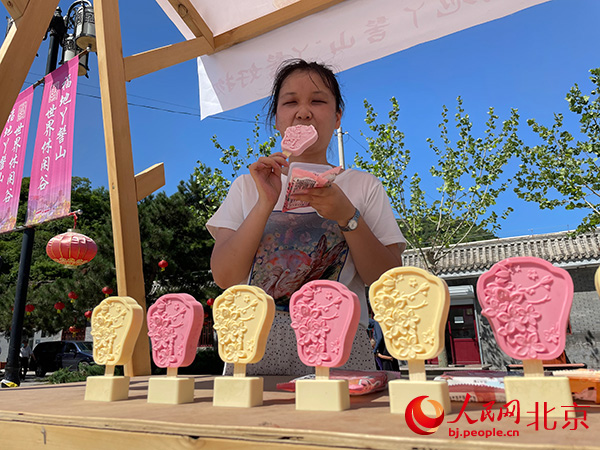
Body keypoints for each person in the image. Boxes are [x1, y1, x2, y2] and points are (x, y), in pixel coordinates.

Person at [207, 59, 406, 375]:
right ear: (277, 119)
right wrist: (264, 203)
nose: (303, 112)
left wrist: (347, 216)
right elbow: (225, 276)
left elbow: (386, 279)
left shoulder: (363, 186)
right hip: (253, 342)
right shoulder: (248, 186)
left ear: (337, 116)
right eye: (290, 102)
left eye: (317, 101)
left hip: (339, 341)